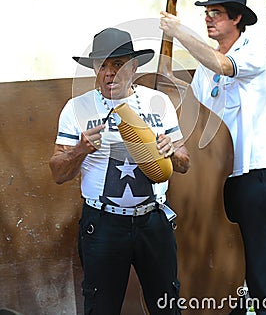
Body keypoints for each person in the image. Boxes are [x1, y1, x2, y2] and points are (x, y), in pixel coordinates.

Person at [160, 0, 266, 315]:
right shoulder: (205, 65)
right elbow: (199, 109)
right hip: (216, 172)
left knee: (258, 245)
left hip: (251, 169)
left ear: (237, 18)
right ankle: (234, 305)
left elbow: (224, 65)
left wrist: (179, 32)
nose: (209, 19)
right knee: (223, 244)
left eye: (216, 14)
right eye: (206, 14)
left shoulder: (253, 53)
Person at [49, 27, 190, 315]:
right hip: (103, 224)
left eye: (118, 64)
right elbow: (58, 173)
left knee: (167, 305)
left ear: (134, 66)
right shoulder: (77, 108)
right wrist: (79, 149)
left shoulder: (157, 103)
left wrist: (171, 151)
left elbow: (185, 162)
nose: (109, 73)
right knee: (101, 307)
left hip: (153, 220)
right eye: (103, 65)